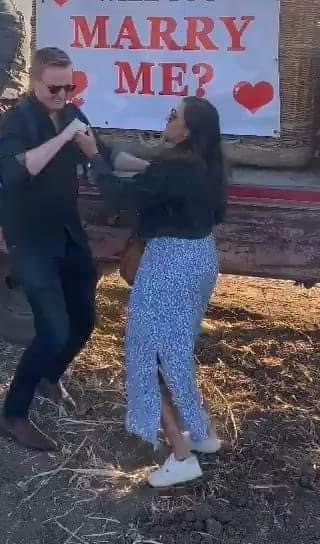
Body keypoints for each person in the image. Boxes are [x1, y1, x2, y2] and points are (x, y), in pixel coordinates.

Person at [75, 97, 227, 487]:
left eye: (174, 116)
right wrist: (134, 165)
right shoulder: (207, 166)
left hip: (169, 263)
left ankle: (180, 454)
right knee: (176, 351)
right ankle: (202, 433)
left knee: (147, 353)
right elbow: (161, 182)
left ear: (188, 130)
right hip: (200, 258)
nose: (168, 119)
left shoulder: (174, 168)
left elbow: (120, 197)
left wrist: (93, 157)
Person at [0, 46, 107, 451]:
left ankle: (50, 376)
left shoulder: (73, 114)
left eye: (68, 87)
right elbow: (16, 170)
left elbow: (99, 155)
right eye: (54, 88)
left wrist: (105, 156)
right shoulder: (18, 120)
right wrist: (62, 137)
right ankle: (12, 416)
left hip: (67, 231)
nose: (62, 96)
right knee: (53, 330)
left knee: (84, 320)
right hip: (30, 238)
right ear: (34, 82)